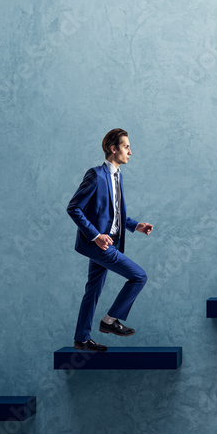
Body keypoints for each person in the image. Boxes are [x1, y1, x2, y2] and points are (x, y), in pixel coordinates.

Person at [66, 129, 153, 351]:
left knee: (92, 291)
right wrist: (95, 236)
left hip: (111, 241)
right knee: (139, 276)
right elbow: (74, 208)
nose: (130, 152)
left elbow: (114, 213)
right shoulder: (96, 175)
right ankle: (110, 321)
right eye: (126, 147)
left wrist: (135, 226)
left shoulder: (118, 176)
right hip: (99, 244)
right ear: (113, 149)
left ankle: (81, 339)